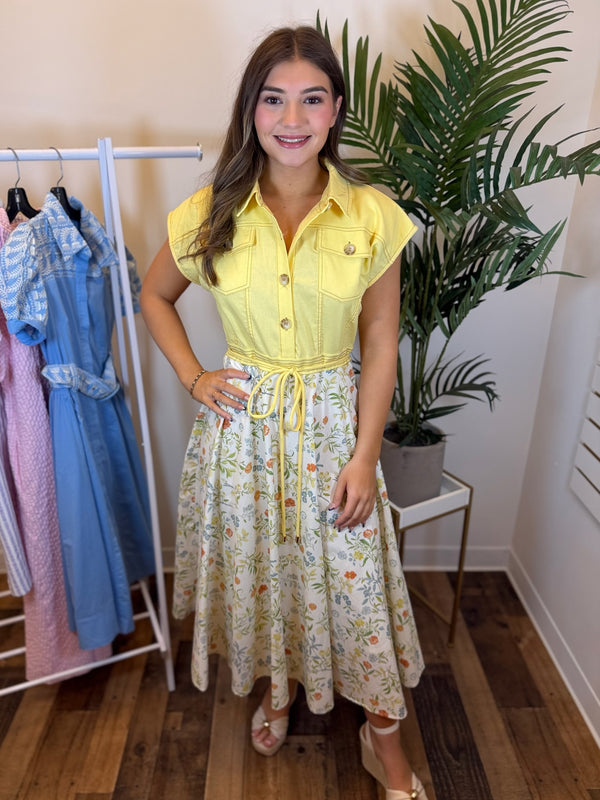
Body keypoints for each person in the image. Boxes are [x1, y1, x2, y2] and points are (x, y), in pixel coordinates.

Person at [140, 25, 427, 800]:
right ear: (252, 111)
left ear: (336, 110)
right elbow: (155, 295)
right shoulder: (212, 210)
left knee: (354, 583)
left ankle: (385, 739)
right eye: (274, 99)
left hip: (336, 424)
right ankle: (276, 688)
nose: (291, 118)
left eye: (311, 98)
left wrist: (366, 455)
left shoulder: (372, 217)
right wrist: (196, 374)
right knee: (263, 571)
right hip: (243, 430)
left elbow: (379, 338)